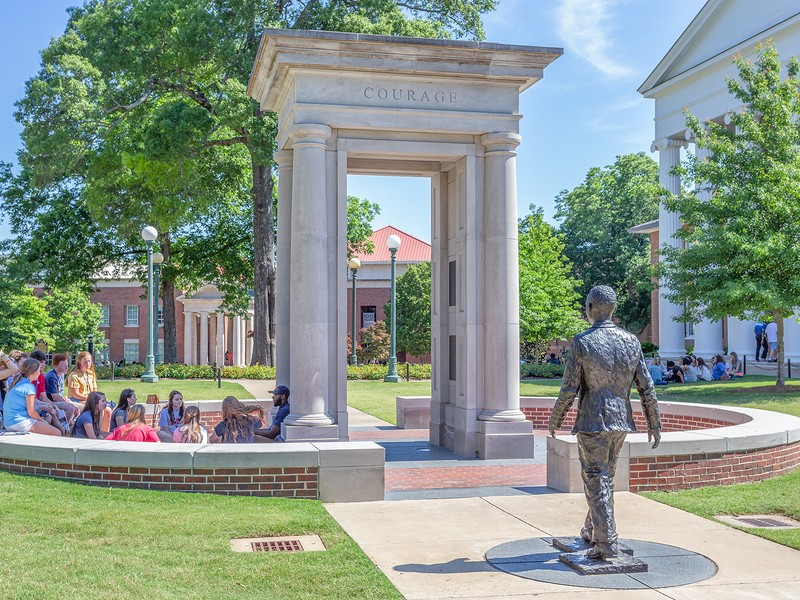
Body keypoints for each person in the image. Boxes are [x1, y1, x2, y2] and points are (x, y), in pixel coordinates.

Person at [549, 285, 661, 560]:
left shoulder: (582, 342)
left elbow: (568, 388)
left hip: (593, 421)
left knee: (596, 479)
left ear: (589, 307)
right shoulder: (631, 341)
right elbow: (647, 387)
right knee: (604, 478)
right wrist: (654, 421)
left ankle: (606, 543)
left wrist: (556, 418)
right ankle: (591, 530)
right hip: (620, 421)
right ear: (613, 309)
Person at [2, 358, 61, 436]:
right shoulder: (28, 386)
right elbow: (31, 412)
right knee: (57, 433)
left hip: (9, 423)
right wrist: (43, 422)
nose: (40, 373)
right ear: (34, 371)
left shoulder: (18, 382)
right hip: (19, 422)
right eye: (39, 371)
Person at [67, 351, 112, 431]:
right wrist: (90, 399)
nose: (87, 363)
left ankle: (105, 432)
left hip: (91, 400)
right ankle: (97, 431)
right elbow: (75, 394)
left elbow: (95, 391)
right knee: (99, 408)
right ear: (79, 361)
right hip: (77, 400)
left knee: (107, 410)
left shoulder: (91, 374)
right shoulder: (74, 375)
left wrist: (96, 399)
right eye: (85, 361)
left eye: (89, 361)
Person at [44, 353, 78, 425]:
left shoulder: (61, 374)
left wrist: (64, 398)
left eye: (67, 365)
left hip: (57, 400)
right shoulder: (51, 376)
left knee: (82, 407)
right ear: (55, 366)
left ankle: (72, 426)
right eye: (63, 366)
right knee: (70, 408)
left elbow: (59, 392)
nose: (66, 367)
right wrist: (67, 403)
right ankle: (65, 427)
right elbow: (55, 396)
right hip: (50, 402)